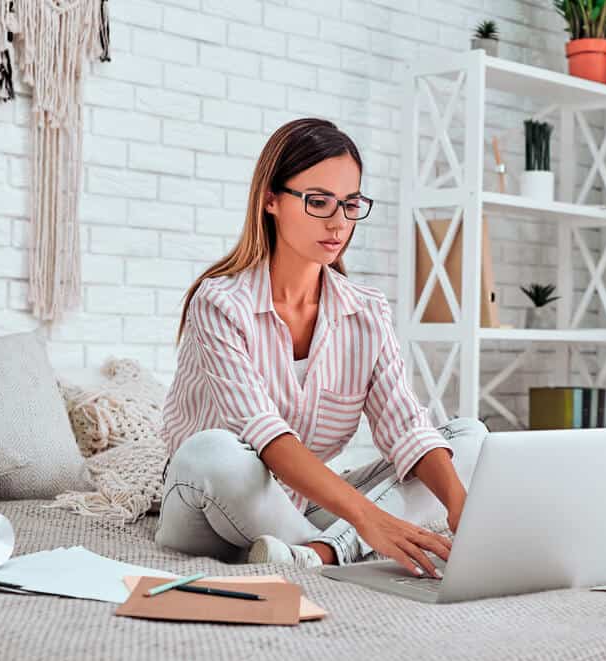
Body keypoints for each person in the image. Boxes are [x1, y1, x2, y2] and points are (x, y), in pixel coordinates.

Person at [155, 117, 489, 578]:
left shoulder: (366, 312)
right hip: (206, 500)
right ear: (271, 199)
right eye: (318, 202)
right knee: (215, 452)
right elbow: (267, 438)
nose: (338, 223)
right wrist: (370, 519)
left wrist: (464, 513)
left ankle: (319, 554)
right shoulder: (220, 303)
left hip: (301, 509)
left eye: (350, 204)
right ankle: (342, 548)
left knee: (467, 439)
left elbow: (407, 427)